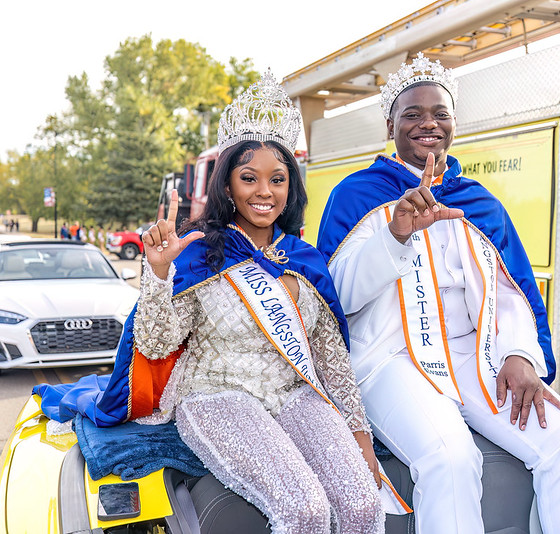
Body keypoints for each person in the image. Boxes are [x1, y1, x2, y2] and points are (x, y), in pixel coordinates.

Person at [34, 72, 384, 534]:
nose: (264, 191)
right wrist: (158, 274)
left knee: (363, 507)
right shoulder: (201, 251)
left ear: (290, 187)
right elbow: (156, 344)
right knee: (305, 512)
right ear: (226, 186)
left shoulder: (304, 259)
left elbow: (331, 357)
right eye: (249, 178)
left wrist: (359, 433)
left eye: (277, 179)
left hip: (294, 395)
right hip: (217, 396)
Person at [317, 53, 560, 534]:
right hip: (390, 359)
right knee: (449, 457)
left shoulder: (478, 200)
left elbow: (511, 294)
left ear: (454, 123)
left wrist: (519, 355)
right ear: (390, 123)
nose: (427, 124)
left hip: (472, 355)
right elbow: (334, 303)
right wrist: (395, 236)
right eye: (412, 114)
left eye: (440, 114)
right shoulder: (358, 194)